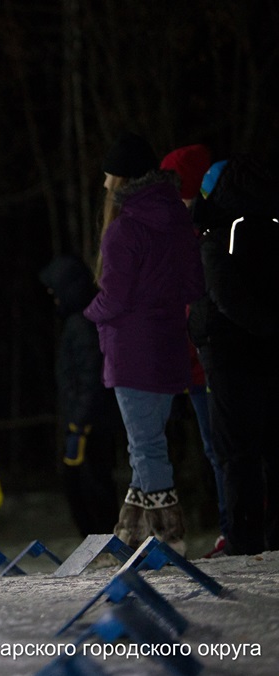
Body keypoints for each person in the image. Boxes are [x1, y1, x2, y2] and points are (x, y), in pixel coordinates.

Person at [84, 131, 204, 557]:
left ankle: (169, 537)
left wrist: (89, 312)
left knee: (146, 446)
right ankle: (129, 534)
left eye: (109, 175)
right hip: (169, 347)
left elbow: (114, 298)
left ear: (123, 179)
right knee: (147, 443)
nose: (104, 183)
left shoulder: (124, 230)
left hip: (133, 353)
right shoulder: (178, 219)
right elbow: (193, 285)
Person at [188, 154, 279, 556]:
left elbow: (225, 295)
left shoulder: (219, 236)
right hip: (266, 353)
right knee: (272, 448)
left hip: (230, 355)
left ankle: (244, 542)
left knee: (236, 453)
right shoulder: (271, 227)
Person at [160, 144, 228, 557]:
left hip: (213, 360)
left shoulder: (207, 233)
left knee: (225, 449)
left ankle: (240, 526)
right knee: (214, 449)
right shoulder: (183, 234)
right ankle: (232, 525)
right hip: (196, 364)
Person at [39, 254, 119, 537]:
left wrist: (79, 422)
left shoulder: (83, 324)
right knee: (82, 485)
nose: (54, 297)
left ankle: (104, 540)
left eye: (55, 290)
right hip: (84, 422)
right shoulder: (79, 321)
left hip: (88, 425)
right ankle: (99, 540)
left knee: (90, 485)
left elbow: (90, 377)